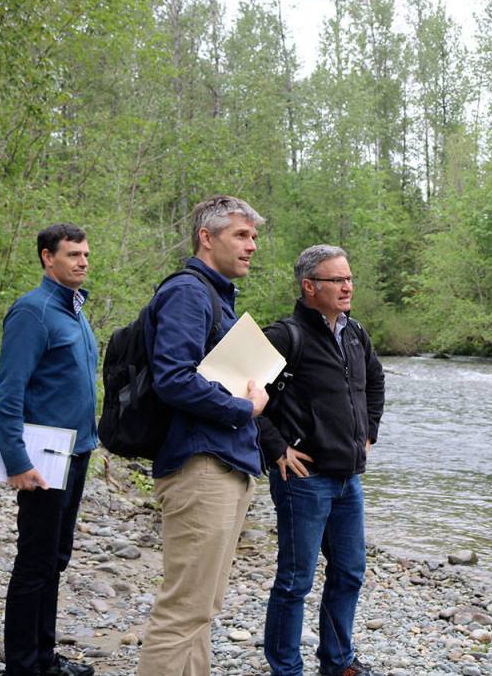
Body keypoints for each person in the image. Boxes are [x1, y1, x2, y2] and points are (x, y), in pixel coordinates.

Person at [136, 195, 270, 676]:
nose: (252, 245)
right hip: (201, 465)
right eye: (241, 235)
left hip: (225, 462)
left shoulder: (214, 296)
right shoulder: (189, 293)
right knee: (184, 610)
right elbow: (173, 378)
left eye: (253, 236)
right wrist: (243, 407)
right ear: (206, 238)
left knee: (203, 608)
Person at [257, 245, 385, 676]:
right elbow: (235, 388)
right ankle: (286, 669)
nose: (347, 287)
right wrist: (275, 448)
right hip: (305, 479)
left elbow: (375, 381)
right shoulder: (283, 335)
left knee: (349, 573)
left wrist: (368, 432)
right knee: (295, 582)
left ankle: (337, 662)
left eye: (349, 278)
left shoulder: (355, 333)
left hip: (349, 479)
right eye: (337, 280)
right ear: (310, 287)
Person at [0, 224, 99, 676]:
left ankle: (45, 659)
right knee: (35, 560)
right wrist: (17, 460)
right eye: (73, 254)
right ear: (46, 257)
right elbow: (8, 392)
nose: (82, 262)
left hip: (76, 451)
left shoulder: (74, 309)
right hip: (43, 456)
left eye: (86, 255)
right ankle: (22, 665)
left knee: (55, 557)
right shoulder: (32, 312)